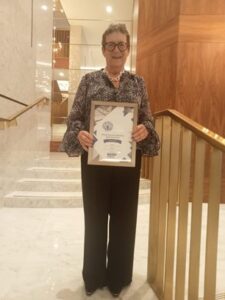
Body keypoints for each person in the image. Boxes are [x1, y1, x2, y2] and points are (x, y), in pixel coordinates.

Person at [61, 23, 160, 297]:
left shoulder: (138, 83)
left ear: (128, 50)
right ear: (103, 49)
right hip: (94, 163)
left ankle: (118, 278)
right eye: (111, 45)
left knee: (124, 221)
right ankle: (92, 276)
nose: (116, 50)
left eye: (122, 45)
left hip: (127, 165)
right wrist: (79, 133)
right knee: (94, 220)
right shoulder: (89, 81)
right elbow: (75, 119)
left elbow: (148, 119)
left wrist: (145, 129)